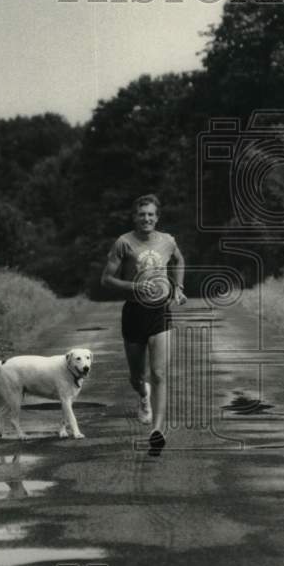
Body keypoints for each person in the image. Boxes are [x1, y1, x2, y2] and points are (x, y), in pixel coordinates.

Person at [101, 194, 186, 453]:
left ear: (157, 218)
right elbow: (106, 279)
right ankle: (143, 395)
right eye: (141, 214)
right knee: (137, 377)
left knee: (159, 373)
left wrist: (179, 287)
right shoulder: (124, 243)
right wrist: (134, 286)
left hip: (160, 312)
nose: (146, 218)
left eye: (150, 214)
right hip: (134, 313)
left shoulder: (168, 241)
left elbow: (179, 260)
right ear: (134, 217)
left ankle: (157, 431)